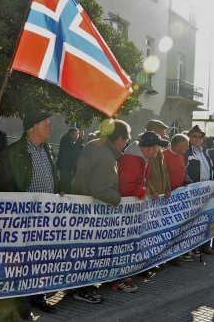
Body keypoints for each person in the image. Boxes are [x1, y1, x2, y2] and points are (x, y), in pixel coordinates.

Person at [0, 111, 58, 316]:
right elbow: (4, 187)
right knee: (22, 262)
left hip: (45, 218)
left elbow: (53, 176)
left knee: (40, 259)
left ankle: (39, 297)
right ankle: (22, 304)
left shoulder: (47, 149)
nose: (51, 128)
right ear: (35, 127)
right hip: (23, 219)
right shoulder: (14, 152)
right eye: (47, 124)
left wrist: (59, 190)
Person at [70, 119, 131, 304]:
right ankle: (83, 289)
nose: (127, 143)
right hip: (93, 211)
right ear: (119, 138)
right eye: (126, 139)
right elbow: (99, 189)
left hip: (81, 205)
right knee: (89, 252)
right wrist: (118, 198)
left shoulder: (93, 145)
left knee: (80, 251)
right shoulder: (106, 156)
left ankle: (77, 286)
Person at [117, 131, 168, 289]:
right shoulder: (132, 160)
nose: (159, 151)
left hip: (134, 208)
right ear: (150, 149)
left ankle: (125, 275)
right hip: (126, 210)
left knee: (131, 243)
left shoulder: (141, 158)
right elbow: (126, 187)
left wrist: (149, 188)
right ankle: (119, 279)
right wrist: (144, 191)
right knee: (124, 244)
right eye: (158, 148)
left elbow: (143, 180)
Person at [184, 125, 214, 256]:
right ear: (189, 137)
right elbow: (183, 171)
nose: (196, 139)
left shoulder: (205, 152)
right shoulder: (186, 152)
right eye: (194, 136)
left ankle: (200, 246)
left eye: (200, 136)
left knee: (203, 220)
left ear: (203, 139)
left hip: (206, 190)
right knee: (191, 222)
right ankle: (188, 249)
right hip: (193, 190)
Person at [145, 119, 171, 197]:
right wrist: (152, 190)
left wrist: (167, 189)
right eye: (160, 131)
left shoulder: (160, 150)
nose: (163, 134)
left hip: (160, 196)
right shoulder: (144, 149)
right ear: (151, 132)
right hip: (150, 197)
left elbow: (165, 172)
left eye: (163, 131)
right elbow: (143, 175)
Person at [56, 127, 83, 193]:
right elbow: (73, 148)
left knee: (68, 185)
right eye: (76, 135)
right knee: (66, 186)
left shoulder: (68, 139)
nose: (77, 137)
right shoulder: (66, 140)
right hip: (65, 167)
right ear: (71, 135)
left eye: (78, 135)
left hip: (67, 167)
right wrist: (80, 139)